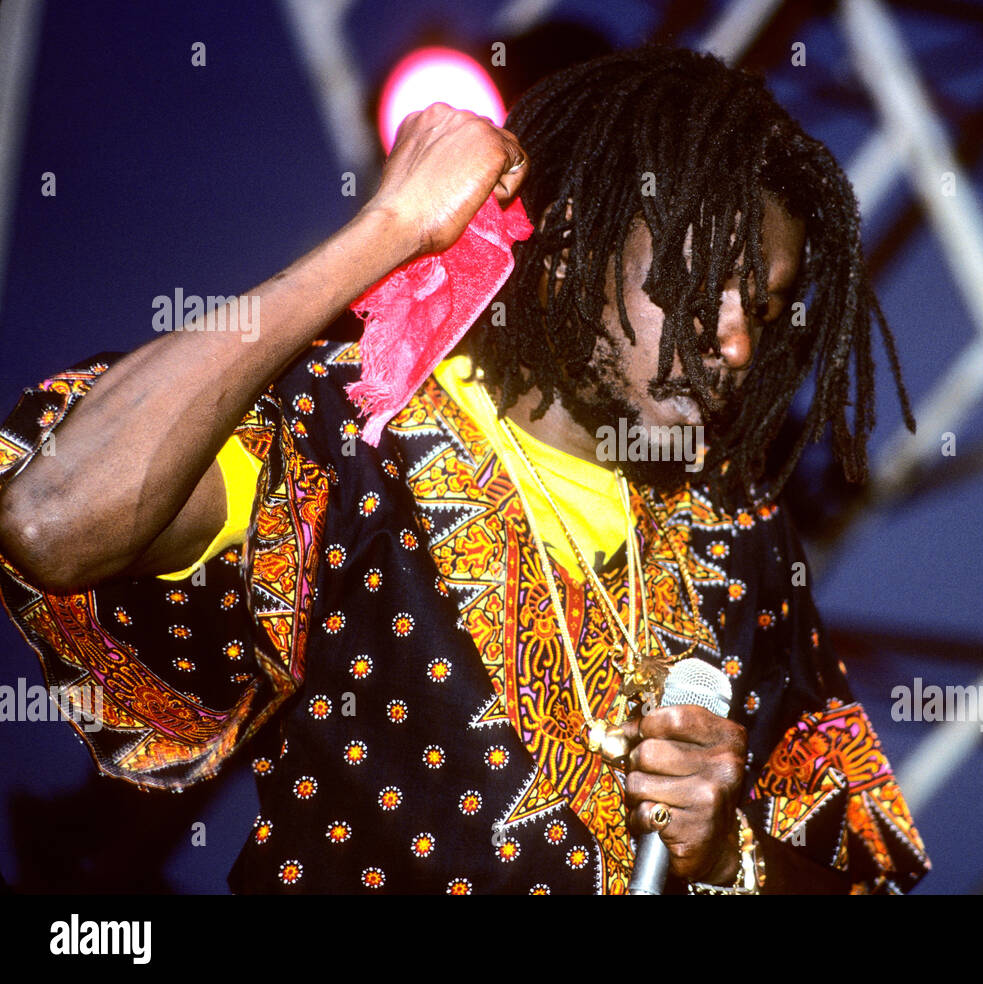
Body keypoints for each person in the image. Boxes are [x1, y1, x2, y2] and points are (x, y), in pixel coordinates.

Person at [0, 46, 928, 894]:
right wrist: (390, 228)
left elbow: (863, 874)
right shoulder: (356, 433)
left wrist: (727, 855)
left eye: (759, 311)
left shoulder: (737, 543)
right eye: (701, 280)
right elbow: (52, 517)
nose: (731, 341)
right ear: (570, 245)